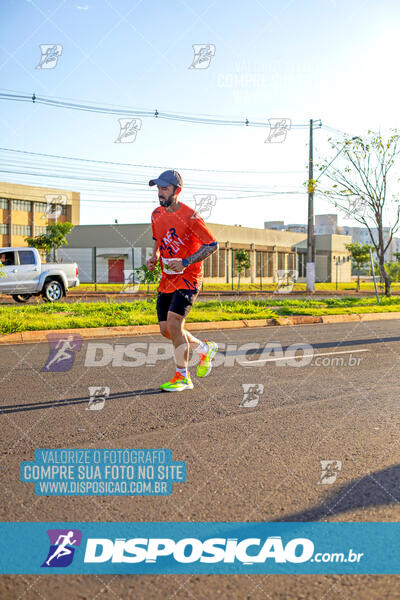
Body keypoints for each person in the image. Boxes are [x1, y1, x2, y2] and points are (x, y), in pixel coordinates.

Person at [147, 170, 218, 392]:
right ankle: (204, 348)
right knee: (165, 330)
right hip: (167, 279)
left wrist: (186, 262)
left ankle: (182, 377)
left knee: (175, 324)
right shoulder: (156, 214)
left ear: (177, 191)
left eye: (164, 188)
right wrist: (154, 257)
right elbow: (158, 241)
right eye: (158, 188)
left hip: (189, 278)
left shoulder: (191, 216)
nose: (160, 192)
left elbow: (212, 245)